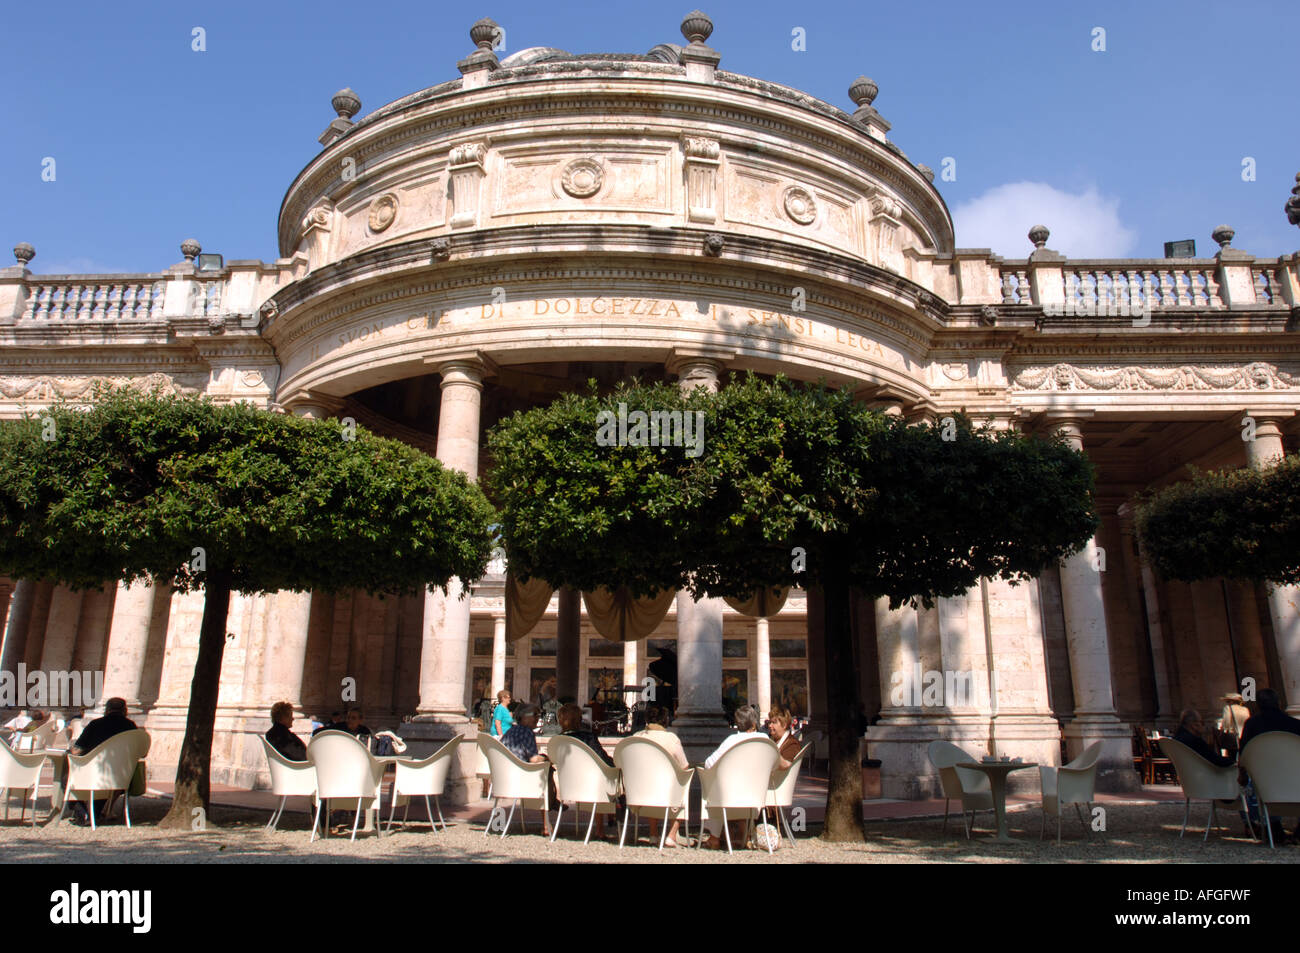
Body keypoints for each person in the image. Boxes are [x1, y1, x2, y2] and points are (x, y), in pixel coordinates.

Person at [1238, 689, 1300, 842]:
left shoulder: (1252, 724)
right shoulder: (1295, 725)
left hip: (1265, 781)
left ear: (1258, 705)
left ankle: (1272, 826)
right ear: (1279, 703)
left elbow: (1244, 753)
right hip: (1295, 778)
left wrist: (1243, 774)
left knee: (1252, 785)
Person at [67, 698, 138, 826]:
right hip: (122, 776)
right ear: (125, 710)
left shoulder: (95, 724)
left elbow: (77, 749)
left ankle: (81, 809)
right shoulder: (131, 726)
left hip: (94, 771)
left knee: (69, 774)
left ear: (106, 710)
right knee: (106, 782)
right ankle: (97, 811)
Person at [702, 703, 764, 849]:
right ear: (754, 724)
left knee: (714, 790)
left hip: (731, 794)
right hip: (756, 794)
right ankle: (746, 835)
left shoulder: (730, 741)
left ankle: (714, 837)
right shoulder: (764, 739)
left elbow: (708, 763)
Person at [631, 704, 688, 847]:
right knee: (683, 783)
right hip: (666, 787)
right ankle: (672, 834)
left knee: (650, 781)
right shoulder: (671, 739)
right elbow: (684, 765)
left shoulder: (636, 737)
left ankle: (653, 833)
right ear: (665, 720)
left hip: (640, 788)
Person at [557, 703, 615, 839]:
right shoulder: (588, 738)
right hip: (590, 783)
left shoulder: (558, 740)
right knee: (603, 778)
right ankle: (601, 827)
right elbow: (602, 758)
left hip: (569, 783)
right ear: (579, 719)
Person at [498, 705, 550, 836]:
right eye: (534, 715)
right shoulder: (527, 732)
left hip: (504, 777)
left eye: (538, 715)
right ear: (523, 718)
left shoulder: (510, 732)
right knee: (547, 775)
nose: (537, 718)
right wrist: (547, 759)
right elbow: (533, 759)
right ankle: (546, 824)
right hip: (521, 777)